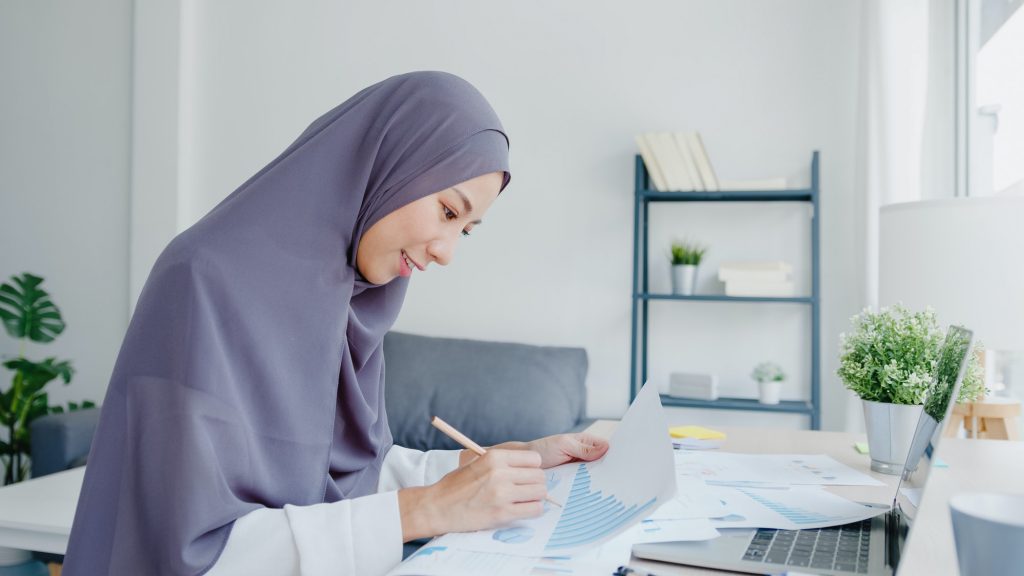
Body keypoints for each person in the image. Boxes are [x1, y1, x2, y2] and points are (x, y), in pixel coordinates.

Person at [62, 71, 609, 575]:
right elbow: (194, 552)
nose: (446, 252)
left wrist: (499, 466)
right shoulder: (203, 282)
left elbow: (341, 474)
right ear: (392, 164)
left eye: (465, 230)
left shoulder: (351, 299)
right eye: (447, 210)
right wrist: (425, 510)